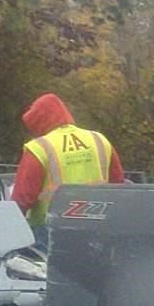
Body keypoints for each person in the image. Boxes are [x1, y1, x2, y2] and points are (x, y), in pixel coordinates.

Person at [11, 93, 127, 243]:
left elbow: (22, 199)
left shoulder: (39, 148)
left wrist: (9, 235)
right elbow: (118, 184)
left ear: (38, 123)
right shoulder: (99, 139)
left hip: (51, 231)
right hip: (98, 227)